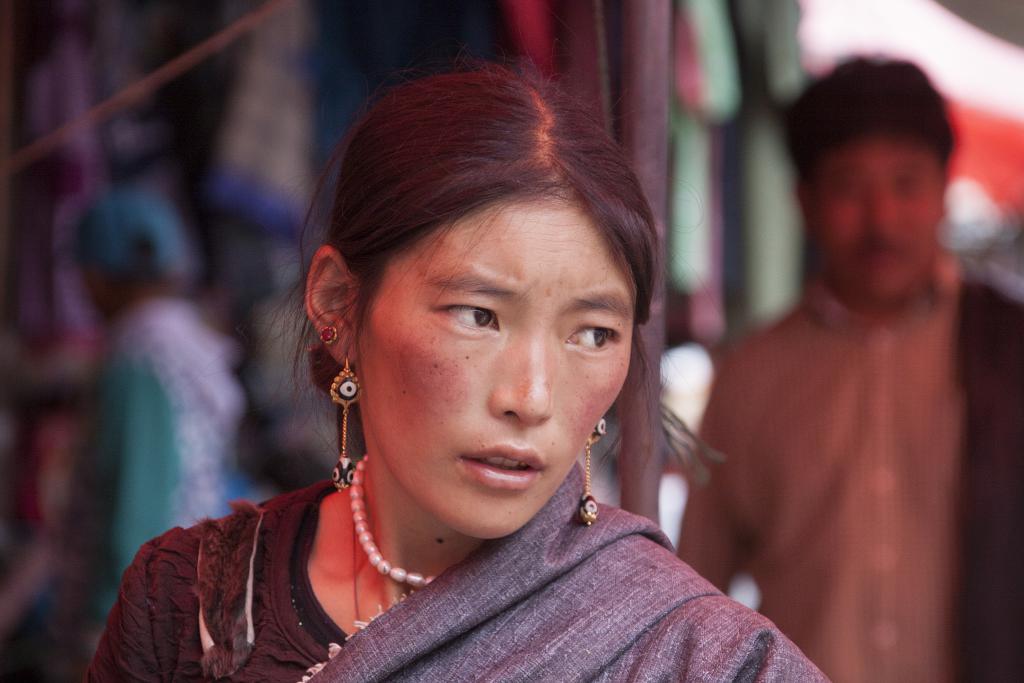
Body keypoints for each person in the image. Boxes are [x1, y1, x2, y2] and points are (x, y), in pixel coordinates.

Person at [87, 65, 824, 681]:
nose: (531, 397)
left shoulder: (700, 659)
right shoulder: (188, 603)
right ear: (339, 304)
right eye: (478, 315)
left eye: (594, 332)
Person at [678, 57, 1024, 683]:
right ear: (805, 203)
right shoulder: (752, 376)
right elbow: (698, 597)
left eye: (905, 184)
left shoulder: (1010, 350)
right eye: (849, 187)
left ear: (944, 188)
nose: (881, 219)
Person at [64, 188, 246, 647]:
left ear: (95, 278)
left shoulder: (140, 354)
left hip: (144, 619)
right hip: (187, 600)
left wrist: (113, 631)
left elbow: (137, 505)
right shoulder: (187, 342)